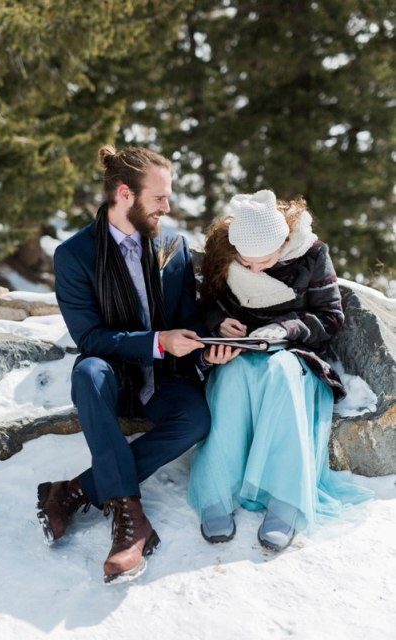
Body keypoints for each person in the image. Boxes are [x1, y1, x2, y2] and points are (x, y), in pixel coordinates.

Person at [37, 145, 239, 584]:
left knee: (194, 419)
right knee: (87, 372)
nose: (168, 207)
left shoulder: (172, 244)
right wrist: (156, 341)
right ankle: (131, 521)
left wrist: (213, 340)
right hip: (114, 373)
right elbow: (90, 337)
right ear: (125, 194)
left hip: (164, 375)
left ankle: (73, 492)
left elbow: (187, 316)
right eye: (160, 197)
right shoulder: (74, 255)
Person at [188, 190, 374, 551]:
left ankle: (284, 498)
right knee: (230, 377)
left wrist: (287, 329)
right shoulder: (225, 250)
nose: (255, 268)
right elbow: (207, 304)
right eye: (247, 262)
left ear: (284, 243)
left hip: (298, 354)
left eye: (265, 261)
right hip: (243, 350)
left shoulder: (312, 253)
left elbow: (330, 317)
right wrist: (221, 323)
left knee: (280, 374)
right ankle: (217, 490)